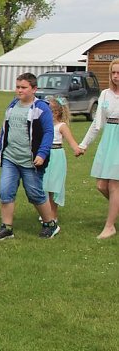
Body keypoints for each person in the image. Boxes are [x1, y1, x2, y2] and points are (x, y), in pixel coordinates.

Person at [0, 72, 58, 240]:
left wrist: (42, 154)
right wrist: (0, 149)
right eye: (18, 87)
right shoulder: (13, 105)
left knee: (35, 194)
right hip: (10, 158)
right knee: (5, 191)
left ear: (34, 89)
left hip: (31, 160)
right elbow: (5, 130)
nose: (19, 90)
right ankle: (7, 227)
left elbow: (49, 133)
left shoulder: (41, 108)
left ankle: (50, 224)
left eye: (23, 87)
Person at [79, 58, 119, 239]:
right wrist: (84, 144)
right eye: (113, 73)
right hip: (108, 140)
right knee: (101, 185)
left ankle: (110, 226)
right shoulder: (105, 94)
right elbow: (97, 123)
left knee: (114, 184)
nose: (116, 76)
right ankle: (115, 209)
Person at [43, 97, 84, 222]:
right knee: (44, 186)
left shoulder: (61, 126)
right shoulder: (43, 125)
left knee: (54, 187)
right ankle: (46, 212)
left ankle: (53, 215)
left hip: (56, 156)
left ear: (55, 113)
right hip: (44, 156)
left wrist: (77, 149)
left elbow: (71, 141)